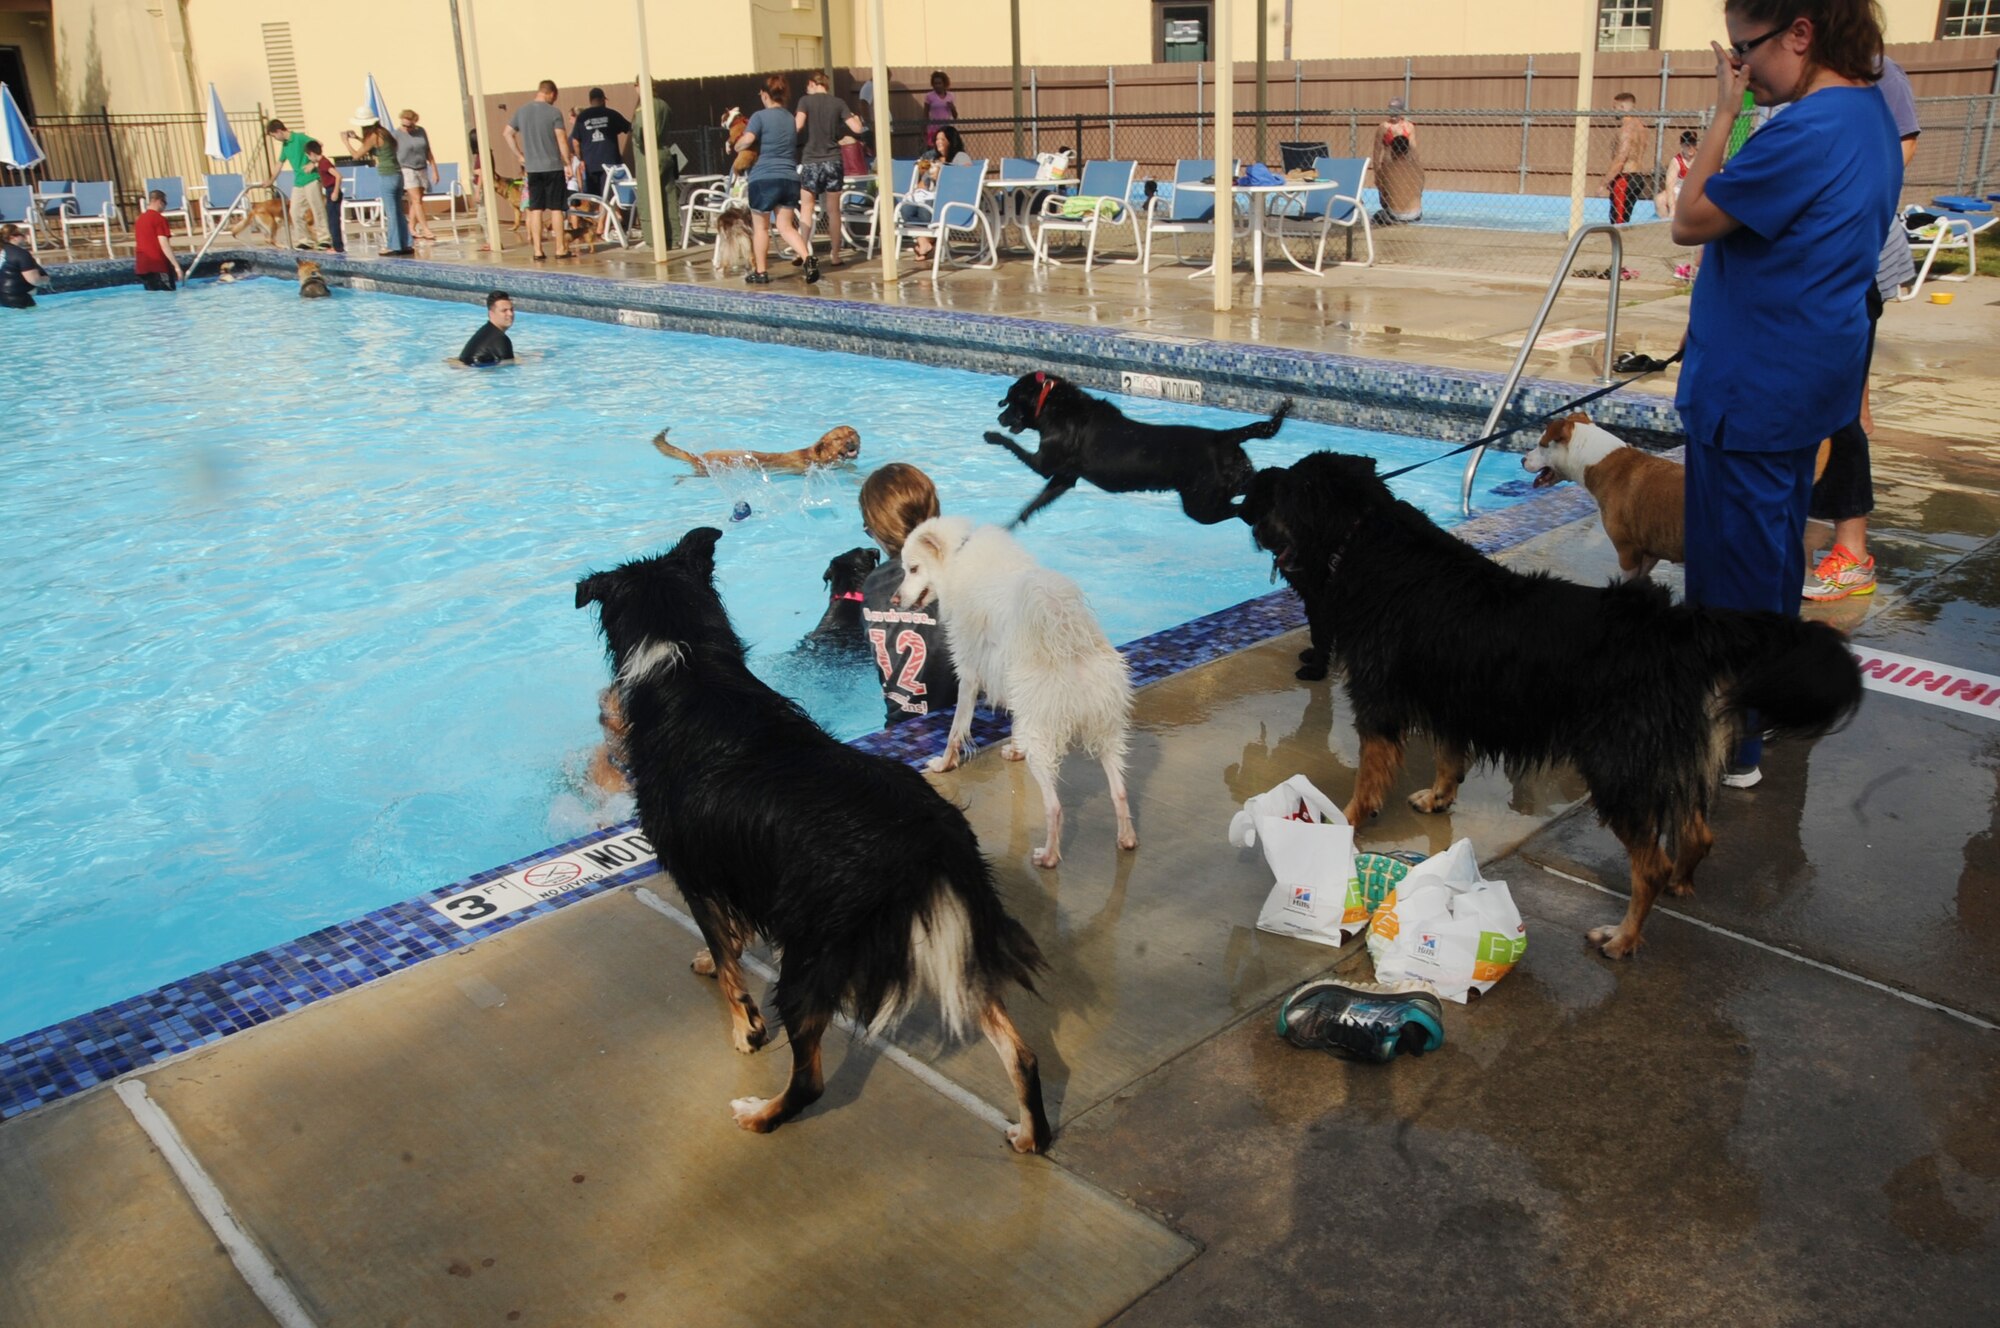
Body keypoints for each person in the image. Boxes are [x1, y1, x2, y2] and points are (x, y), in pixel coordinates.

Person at [1668, 0, 1900, 786]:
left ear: (1800, 34)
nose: (1740, 67)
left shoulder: (1808, 129)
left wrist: (1722, 110)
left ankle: (1732, 746)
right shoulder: (1869, 113)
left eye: (1746, 51)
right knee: (1771, 561)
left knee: (1731, 581)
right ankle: (1762, 722)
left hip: (1753, 390)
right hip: (1800, 381)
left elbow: (1690, 217)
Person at [1803, 52, 1921, 603]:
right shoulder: (1792, 71)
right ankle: (1815, 537)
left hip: (1850, 261)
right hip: (1815, 266)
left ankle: (1851, 551)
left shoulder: (1871, 70)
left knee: (1839, 409)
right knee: (1839, 404)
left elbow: (1899, 150)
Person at [857, 463, 959, 726]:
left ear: (877, 531)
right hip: (970, 725)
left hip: (900, 731)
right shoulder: (960, 570)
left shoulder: (871, 585)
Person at [736, 73, 816, 285]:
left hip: (764, 179)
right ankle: (808, 260)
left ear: (764, 95)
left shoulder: (759, 117)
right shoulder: (790, 119)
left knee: (761, 228)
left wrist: (736, 145)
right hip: (789, 178)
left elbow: (748, 140)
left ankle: (761, 272)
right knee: (786, 227)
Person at [795, 72, 866, 266]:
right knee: (834, 211)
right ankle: (835, 255)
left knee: (806, 208)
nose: (806, 90)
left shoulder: (805, 101)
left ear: (812, 84)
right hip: (833, 161)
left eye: (807, 86)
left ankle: (803, 251)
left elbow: (797, 125)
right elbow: (857, 129)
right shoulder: (838, 103)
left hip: (811, 160)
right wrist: (858, 119)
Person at [505, 79, 576, 260]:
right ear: (551, 93)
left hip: (533, 169)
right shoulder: (554, 112)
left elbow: (507, 133)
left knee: (535, 209)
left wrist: (520, 155)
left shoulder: (522, 111)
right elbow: (561, 139)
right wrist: (567, 163)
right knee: (556, 209)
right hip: (553, 167)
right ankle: (560, 249)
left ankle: (537, 251)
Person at [906, 125, 972, 261]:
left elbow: (967, 178)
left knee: (925, 212)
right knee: (905, 210)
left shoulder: (960, 157)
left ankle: (925, 242)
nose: (938, 141)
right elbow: (922, 181)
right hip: (928, 196)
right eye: (937, 139)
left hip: (948, 199)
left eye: (943, 138)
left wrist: (943, 176)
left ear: (951, 140)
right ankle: (925, 243)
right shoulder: (932, 158)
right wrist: (918, 189)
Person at [265, 118, 330, 251]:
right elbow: (279, 163)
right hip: (298, 181)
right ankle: (305, 240)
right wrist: (271, 180)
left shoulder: (299, 138)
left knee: (317, 209)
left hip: (311, 178)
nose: (275, 139)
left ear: (278, 131)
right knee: (294, 211)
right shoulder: (285, 145)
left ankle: (325, 238)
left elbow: (318, 144)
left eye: (274, 136)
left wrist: (313, 163)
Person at [629, 76, 676, 250]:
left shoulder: (644, 107)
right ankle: (674, 238)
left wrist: (640, 142)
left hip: (648, 155)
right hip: (665, 151)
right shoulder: (664, 104)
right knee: (669, 196)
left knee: (648, 197)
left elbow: (640, 130)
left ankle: (653, 240)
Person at [570, 88, 631, 204]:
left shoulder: (582, 117)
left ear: (590, 100)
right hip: (610, 162)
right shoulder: (612, 114)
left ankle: (604, 220)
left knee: (596, 197)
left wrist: (581, 158)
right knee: (609, 194)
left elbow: (575, 142)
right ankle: (608, 219)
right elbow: (630, 128)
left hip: (591, 163)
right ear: (603, 100)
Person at [1604, 91, 1656, 225]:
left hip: (1624, 179)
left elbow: (1621, 158)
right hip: (1638, 177)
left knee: (1617, 222)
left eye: (1614, 107)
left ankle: (1617, 244)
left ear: (1622, 107)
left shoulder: (1626, 129)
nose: (1613, 111)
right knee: (1625, 220)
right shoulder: (1641, 128)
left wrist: (1604, 182)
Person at [1371, 98, 1424, 226]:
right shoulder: (1384, 127)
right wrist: (1377, 172)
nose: (1393, 113)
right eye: (1391, 110)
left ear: (1401, 111)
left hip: (1403, 165)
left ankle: (1398, 214)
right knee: (1386, 194)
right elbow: (1377, 152)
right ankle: (1393, 212)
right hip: (1388, 165)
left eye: (1396, 110)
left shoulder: (1409, 127)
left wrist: (1415, 166)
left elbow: (1413, 149)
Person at [395, 109, 441, 243]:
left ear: (415, 122)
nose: (406, 128)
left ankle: (411, 227)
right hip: (406, 168)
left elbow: (428, 150)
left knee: (419, 199)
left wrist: (435, 170)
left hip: (421, 167)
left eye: (409, 125)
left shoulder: (421, 131)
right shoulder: (396, 134)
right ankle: (426, 229)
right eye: (404, 125)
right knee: (416, 200)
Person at [134, 189, 184, 291]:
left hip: (142, 267)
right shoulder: (159, 219)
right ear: (159, 201)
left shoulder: (139, 219)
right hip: (159, 267)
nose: (165, 206)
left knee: (153, 299)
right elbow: (164, 245)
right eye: (165, 202)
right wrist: (177, 267)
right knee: (169, 298)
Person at [458, 290, 516, 365]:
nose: (510, 314)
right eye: (504, 311)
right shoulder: (500, 339)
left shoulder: (486, 331)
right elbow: (508, 368)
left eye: (511, 310)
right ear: (491, 314)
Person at [308, 140, 344, 254]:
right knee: (331, 220)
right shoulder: (321, 163)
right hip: (329, 190)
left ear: (312, 153)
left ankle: (338, 247)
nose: (309, 159)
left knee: (333, 221)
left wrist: (335, 192)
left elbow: (338, 176)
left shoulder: (324, 163)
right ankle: (336, 245)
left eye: (308, 156)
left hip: (332, 190)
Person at [0, 223, 48, 309]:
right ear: (13, 237)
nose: (25, 237)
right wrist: (45, 280)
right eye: (23, 234)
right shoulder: (21, 254)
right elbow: (34, 280)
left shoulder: (3, 251)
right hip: (18, 299)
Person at [1657, 129, 1700, 219]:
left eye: (1693, 144)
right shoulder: (1676, 161)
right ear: (1682, 145)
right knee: (1659, 199)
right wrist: (1672, 208)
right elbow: (1669, 186)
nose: (1691, 148)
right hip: (1679, 190)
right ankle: (1666, 223)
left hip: (1697, 190)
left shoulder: (1701, 157)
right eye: (1687, 145)